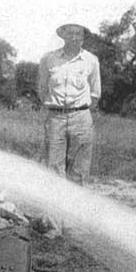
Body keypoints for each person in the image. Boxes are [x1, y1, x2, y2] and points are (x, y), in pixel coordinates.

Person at [38, 20, 101, 184]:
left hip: (81, 117)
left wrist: (80, 111)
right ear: (63, 35)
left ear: (83, 37)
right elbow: (42, 89)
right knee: (53, 168)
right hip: (55, 118)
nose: (74, 37)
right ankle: (55, 207)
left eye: (78, 33)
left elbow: (95, 94)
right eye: (70, 33)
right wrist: (55, 109)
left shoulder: (91, 60)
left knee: (79, 169)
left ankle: (76, 206)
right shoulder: (48, 59)